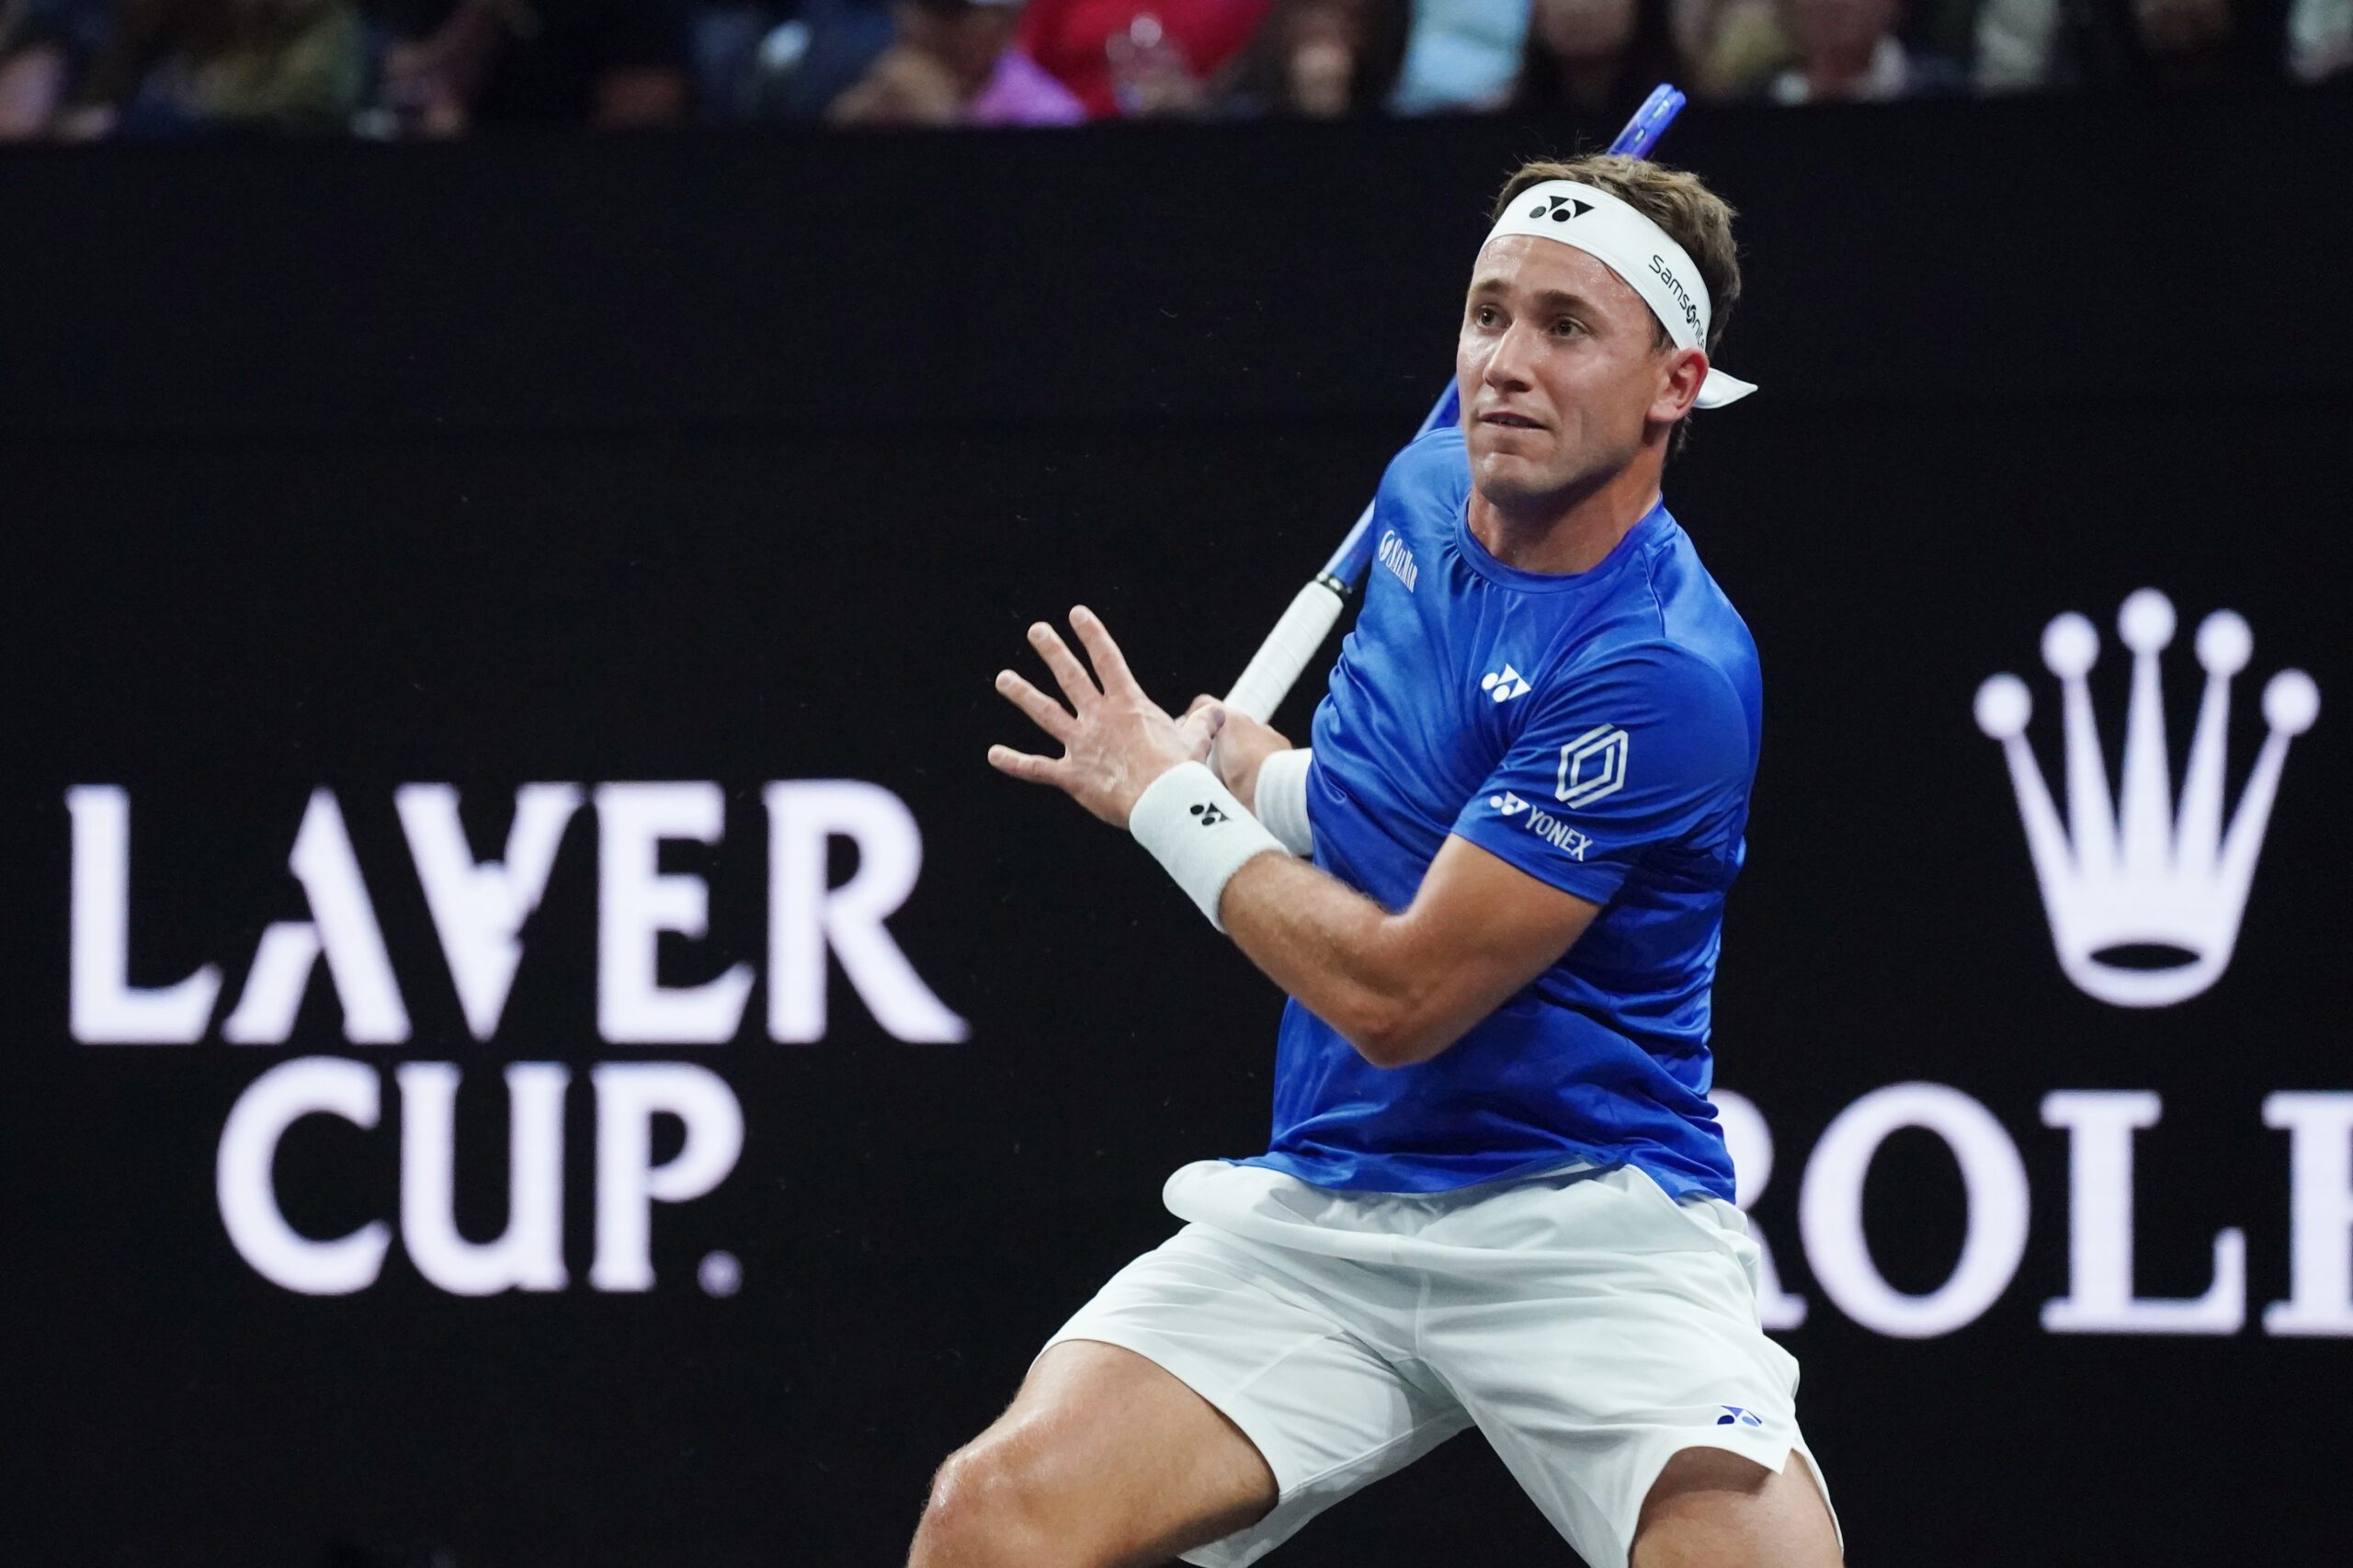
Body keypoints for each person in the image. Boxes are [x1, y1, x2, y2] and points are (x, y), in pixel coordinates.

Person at [930, 153, 1842, 1568]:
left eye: (1566, 327)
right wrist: (1256, 777)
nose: (1505, 364)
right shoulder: (1424, 488)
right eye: (1488, 315)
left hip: (1584, 1219)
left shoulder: (1664, 671)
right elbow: (1390, 817)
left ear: (1678, 383)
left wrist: (1170, 802)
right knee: (995, 1515)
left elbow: (1401, 995)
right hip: (1334, 1204)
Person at [828, 0, 1083, 127]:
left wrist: (940, 117)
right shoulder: (887, 87)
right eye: (922, 7)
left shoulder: (1045, 112)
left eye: (949, 12)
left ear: (1005, 24)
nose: (923, 26)